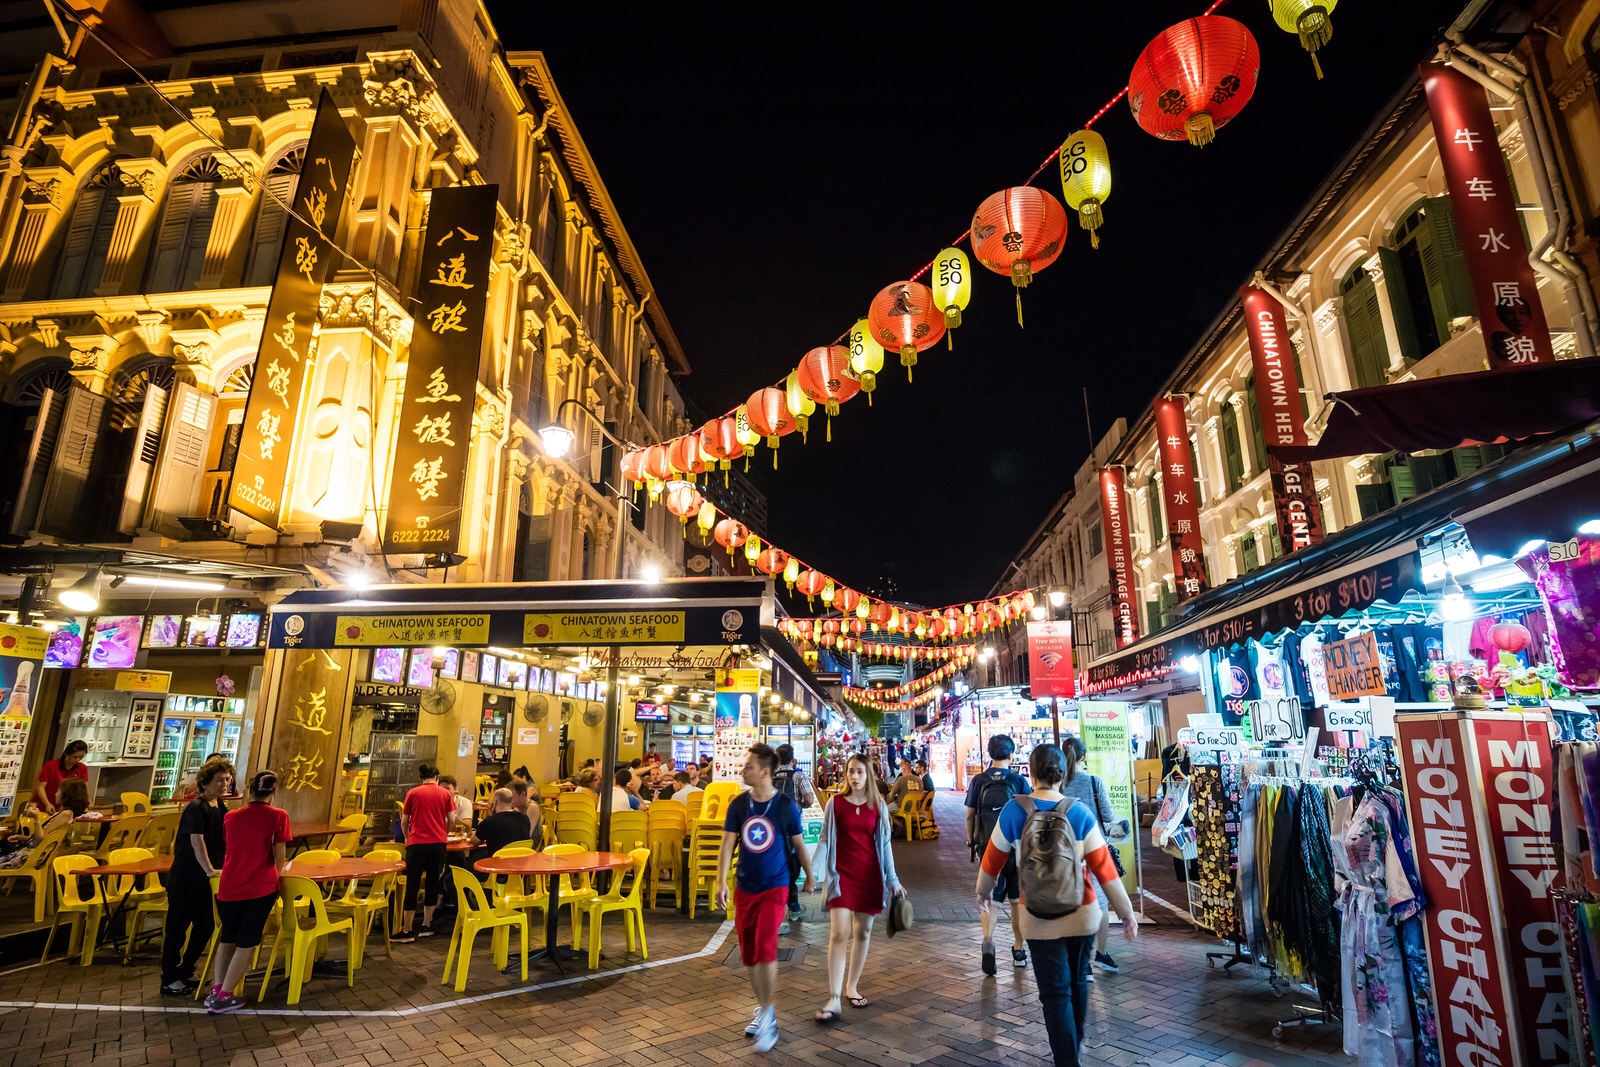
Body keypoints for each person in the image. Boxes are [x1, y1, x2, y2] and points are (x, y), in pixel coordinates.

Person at [975, 743, 1137, 1066]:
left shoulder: (1013, 810)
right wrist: (1126, 912)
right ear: (1062, 775)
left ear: (1030, 773)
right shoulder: (1078, 811)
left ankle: (1066, 1058)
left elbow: (991, 861)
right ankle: (1071, 1048)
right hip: (1082, 913)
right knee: (1078, 981)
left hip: (1037, 916)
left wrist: (983, 891)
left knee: (1054, 993)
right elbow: (1105, 869)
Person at [715, 743, 814, 1053]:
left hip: (775, 886)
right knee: (749, 954)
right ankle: (763, 1007)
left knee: (766, 947)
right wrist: (720, 881)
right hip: (745, 887)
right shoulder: (738, 805)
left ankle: (768, 1013)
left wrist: (810, 876)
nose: (743, 770)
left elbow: (798, 844)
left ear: (765, 772)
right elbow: (727, 845)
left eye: (749, 766)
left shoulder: (785, 806)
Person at [809, 753, 903, 1023]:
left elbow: (885, 846)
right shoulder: (835, 803)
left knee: (863, 931)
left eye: (860, 772)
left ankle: (851, 986)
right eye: (851, 771)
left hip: (870, 876)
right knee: (839, 932)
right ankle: (834, 997)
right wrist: (813, 873)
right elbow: (825, 839)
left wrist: (893, 879)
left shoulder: (878, 806)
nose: (855, 776)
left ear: (869, 775)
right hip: (841, 876)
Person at [206, 771, 289, 1014]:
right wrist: (280, 872)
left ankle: (217, 989)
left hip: (229, 886)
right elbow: (279, 856)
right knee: (247, 942)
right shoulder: (278, 816)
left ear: (249, 790)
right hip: (260, 887)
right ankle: (225, 995)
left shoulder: (231, 817)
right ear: (273, 792)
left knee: (227, 938)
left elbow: (231, 847)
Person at [160, 757, 231, 995]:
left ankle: (186, 970)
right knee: (177, 929)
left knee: (206, 925)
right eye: (220, 780)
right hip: (186, 877)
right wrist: (210, 869)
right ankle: (169, 977)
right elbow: (196, 841)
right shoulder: (196, 807)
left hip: (205, 880)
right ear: (205, 782)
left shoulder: (220, 807)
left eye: (228, 780)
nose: (225, 784)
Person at [966, 733, 1029, 974]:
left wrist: (972, 839)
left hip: (989, 846)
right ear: (1010, 754)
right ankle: (1019, 950)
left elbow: (970, 814)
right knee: (1016, 901)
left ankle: (988, 941)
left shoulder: (979, 780)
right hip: (1016, 847)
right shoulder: (1018, 780)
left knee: (989, 897)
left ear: (990, 753)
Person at [1061, 737, 1120, 974]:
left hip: (1064, 851)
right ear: (1083, 757)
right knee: (1101, 904)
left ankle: (1080, 961)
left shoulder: (1058, 784)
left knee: (1072, 903)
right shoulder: (1095, 782)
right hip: (1093, 850)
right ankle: (1102, 954)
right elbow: (1108, 816)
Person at [391, 763, 455, 942]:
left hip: (416, 843)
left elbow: (404, 821)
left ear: (420, 779)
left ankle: (407, 930)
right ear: (436, 778)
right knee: (432, 884)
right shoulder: (445, 794)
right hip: (438, 843)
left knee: (412, 884)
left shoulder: (413, 793)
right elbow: (452, 819)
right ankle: (427, 925)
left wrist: (406, 836)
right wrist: (444, 832)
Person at [772, 744, 817, 925]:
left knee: (778, 868)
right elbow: (809, 799)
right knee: (793, 868)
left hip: (774, 832)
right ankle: (794, 906)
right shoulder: (798, 776)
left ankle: (780, 906)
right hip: (794, 830)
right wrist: (800, 808)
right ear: (793, 760)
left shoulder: (771, 776)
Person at [0, 781, 87, 869]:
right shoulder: (65, 814)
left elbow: (41, 840)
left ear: (67, 795)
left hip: (28, 858)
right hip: (32, 855)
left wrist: (36, 818)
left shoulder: (66, 814)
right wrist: (20, 837)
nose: (56, 794)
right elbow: (44, 840)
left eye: (59, 791)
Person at [32, 739, 88, 814]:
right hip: (43, 806)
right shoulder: (51, 765)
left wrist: (88, 802)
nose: (78, 760)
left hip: (64, 810)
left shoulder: (82, 768)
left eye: (81, 757)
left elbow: (83, 789)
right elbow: (40, 787)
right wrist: (47, 804)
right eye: (75, 757)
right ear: (66, 754)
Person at [472, 788, 532, 857]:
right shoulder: (525, 818)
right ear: (511, 801)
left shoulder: (490, 822)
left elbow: (474, 842)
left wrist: (490, 814)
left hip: (497, 864)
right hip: (520, 863)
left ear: (495, 802)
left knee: (474, 856)